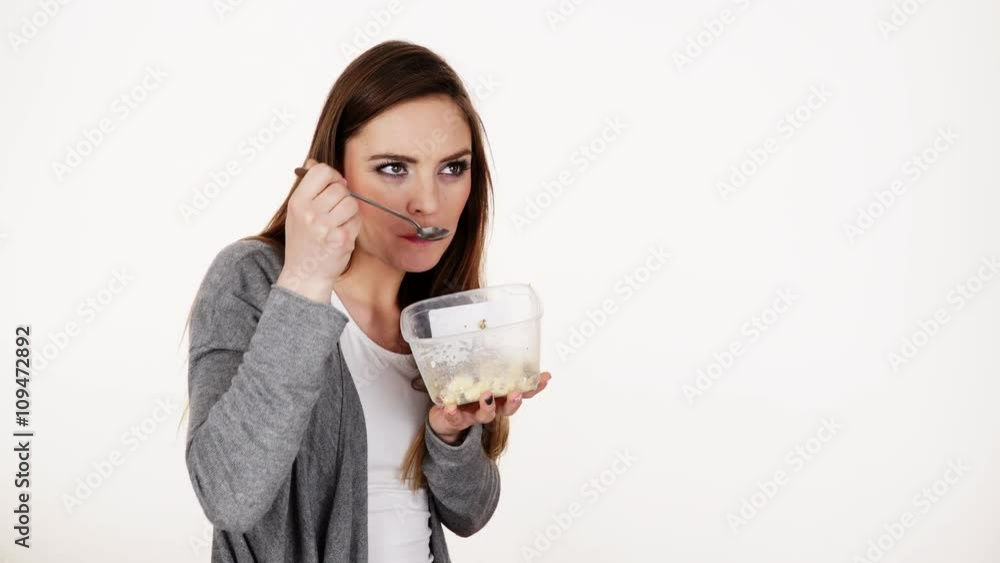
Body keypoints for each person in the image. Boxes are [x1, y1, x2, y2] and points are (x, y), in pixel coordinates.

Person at [182, 40, 552, 562]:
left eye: (452, 168)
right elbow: (229, 497)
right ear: (334, 174)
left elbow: (471, 515)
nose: (428, 201)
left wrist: (450, 436)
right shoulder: (256, 280)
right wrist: (307, 280)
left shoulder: (441, 313)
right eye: (394, 168)